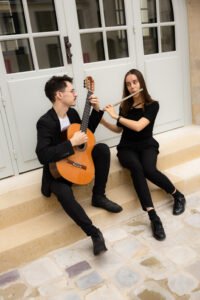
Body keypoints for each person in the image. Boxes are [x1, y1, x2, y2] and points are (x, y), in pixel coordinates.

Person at [36, 75, 122, 256]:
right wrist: (70, 143)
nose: (76, 94)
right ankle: (94, 233)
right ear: (59, 95)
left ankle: (99, 196)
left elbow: (86, 133)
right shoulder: (45, 122)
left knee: (102, 149)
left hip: (79, 163)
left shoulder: (73, 114)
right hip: (58, 171)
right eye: (72, 91)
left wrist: (97, 110)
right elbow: (42, 155)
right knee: (63, 192)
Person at [101, 68, 186, 241]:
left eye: (135, 82)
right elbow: (119, 129)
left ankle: (177, 195)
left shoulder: (153, 105)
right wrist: (102, 119)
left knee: (149, 169)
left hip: (146, 145)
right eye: (128, 84)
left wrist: (116, 115)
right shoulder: (126, 106)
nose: (132, 87)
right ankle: (153, 217)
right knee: (136, 168)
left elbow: (139, 126)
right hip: (127, 148)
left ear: (141, 83)